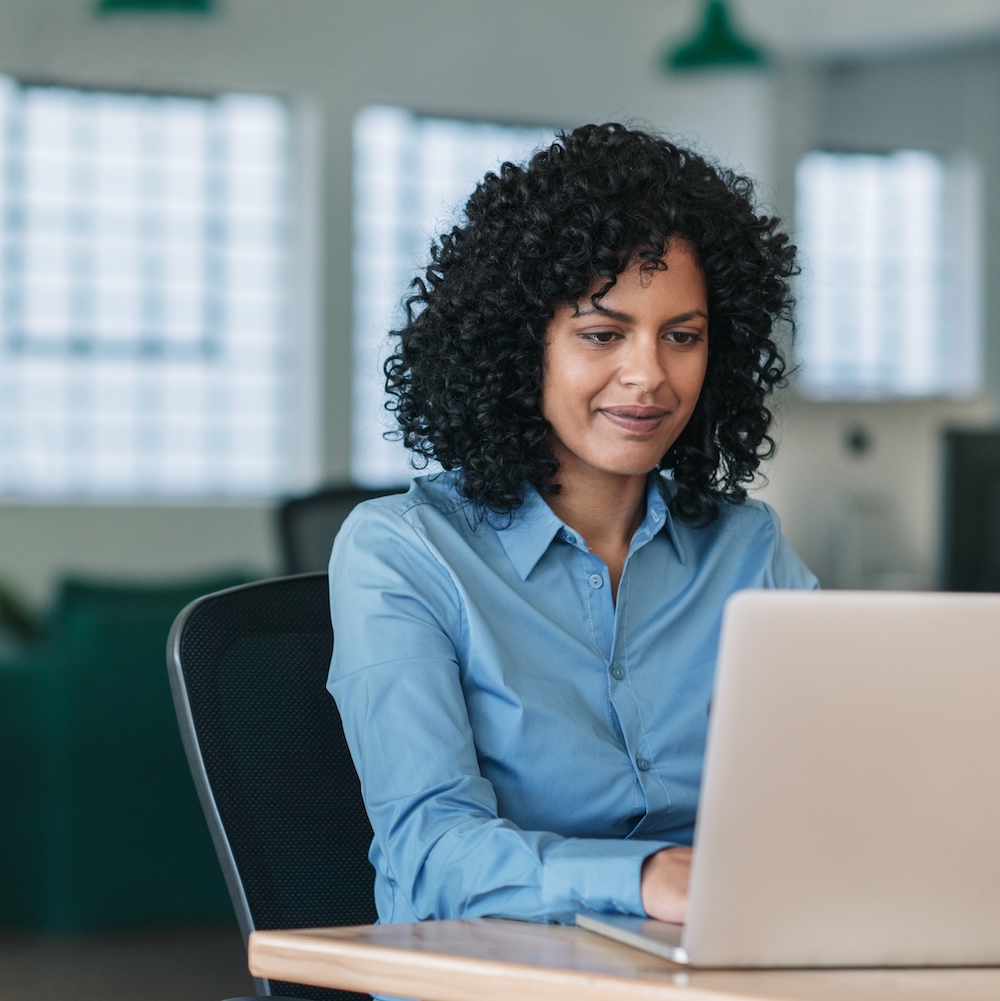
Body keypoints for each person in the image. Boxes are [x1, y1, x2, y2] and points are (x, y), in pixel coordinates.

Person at [327, 123, 818, 931]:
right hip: (494, 971)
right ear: (523, 348)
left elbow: (840, 786)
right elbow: (431, 850)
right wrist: (648, 874)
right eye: (602, 334)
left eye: (683, 337)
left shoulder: (747, 549)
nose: (649, 376)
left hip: (716, 962)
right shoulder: (403, 552)